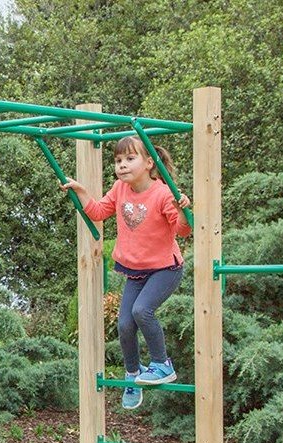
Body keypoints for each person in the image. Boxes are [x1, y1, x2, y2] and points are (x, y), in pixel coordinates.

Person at [61, 136, 191, 410]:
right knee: (124, 325)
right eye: (118, 160)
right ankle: (133, 373)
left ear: (148, 163)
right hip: (135, 271)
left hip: (165, 268)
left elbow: (182, 230)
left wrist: (181, 211)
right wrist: (81, 191)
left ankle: (162, 364)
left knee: (141, 311)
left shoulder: (163, 193)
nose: (122, 165)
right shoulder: (120, 189)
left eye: (130, 159)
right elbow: (98, 212)